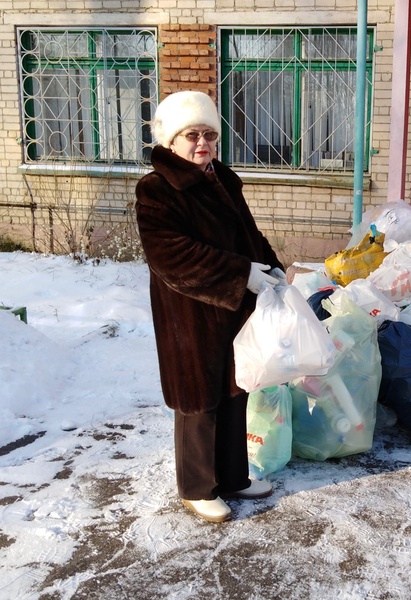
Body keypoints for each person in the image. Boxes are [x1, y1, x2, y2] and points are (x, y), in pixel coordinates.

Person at [135, 90, 285, 523]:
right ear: (170, 141)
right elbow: (171, 256)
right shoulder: (157, 189)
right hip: (189, 315)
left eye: (209, 135)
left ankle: (234, 476)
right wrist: (241, 275)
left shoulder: (222, 177)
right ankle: (198, 488)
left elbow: (248, 235)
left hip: (233, 310)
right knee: (198, 400)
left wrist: (272, 269)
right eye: (191, 135)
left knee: (235, 393)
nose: (202, 144)